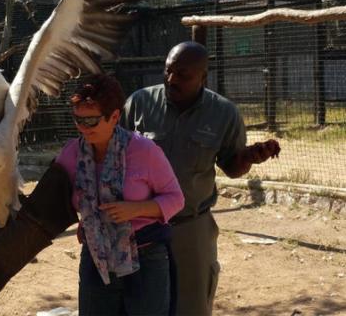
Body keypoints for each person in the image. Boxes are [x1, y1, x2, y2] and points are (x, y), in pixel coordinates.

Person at [120, 41, 281, 316]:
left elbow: (231, 166)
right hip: (138, 227)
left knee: (191, 305)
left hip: (190, 228)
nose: (172, 80)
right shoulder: (139, 103)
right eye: (168, 71)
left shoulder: (224, 113)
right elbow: (115, 157)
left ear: (203, 77)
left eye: (183, 75)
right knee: (137, 303)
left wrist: (249, 158)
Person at [55, 73, 184, 316]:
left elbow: (176, 199)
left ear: (114, 116)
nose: (83, 128)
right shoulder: (71, 154)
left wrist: (135, 209)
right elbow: (51, 200)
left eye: (91, 121)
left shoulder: (144, 151)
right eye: (78, 120)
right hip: (96, 258)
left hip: (146, 257)